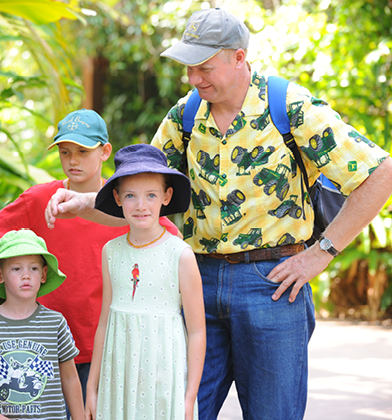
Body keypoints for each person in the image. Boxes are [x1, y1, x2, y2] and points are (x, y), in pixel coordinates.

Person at [44, 8, 392, 420]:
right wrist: (85, 204)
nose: (194, 79)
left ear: (239, 58)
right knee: (175, 411)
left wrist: (322, 253)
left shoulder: (290, 106)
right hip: (196, 283)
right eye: (189, 68)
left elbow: (380, 173)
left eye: (204, 67)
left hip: (273, 286)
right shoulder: (184, 117)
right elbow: (144, 201)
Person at [0, 109, 180, 404]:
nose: (73, 160)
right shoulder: (40, 198)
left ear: (105, 152)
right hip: (46, 340)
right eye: (65, 152)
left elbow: (169, 240)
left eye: (83, 151)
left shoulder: (125, 201)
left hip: (107, 341)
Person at [85, 144, 206, 420]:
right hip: (117, 380)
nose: (141, 205)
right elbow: (105, 321)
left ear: (167, 196)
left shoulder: (180, 254)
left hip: (164, 381)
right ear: (117, 198)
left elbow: (198, 331)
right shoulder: (111, 252)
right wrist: (91, 388)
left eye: (151, 195)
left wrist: (189, 397)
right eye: (130, 195)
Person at [0, 229, 85, 419]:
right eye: (16, 269)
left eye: (33, 268)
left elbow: (70, 377)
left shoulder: (55, 323)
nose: (26, 275)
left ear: (43, 274)